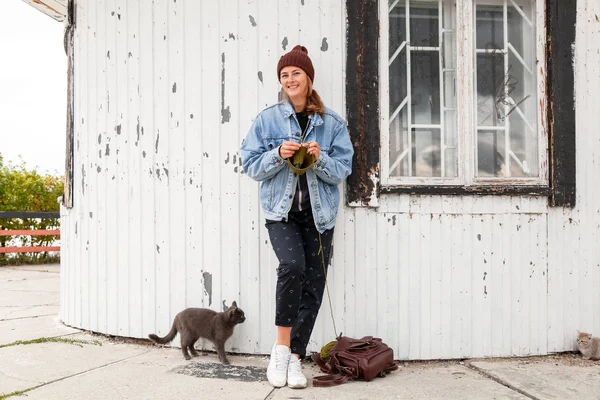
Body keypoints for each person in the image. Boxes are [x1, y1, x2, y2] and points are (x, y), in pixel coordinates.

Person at [240, 45, 354, 389]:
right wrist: (276, 153)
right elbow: (249, 165)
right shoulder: (267, 120)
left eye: (296, 73)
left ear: (308, 79)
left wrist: (320, 159)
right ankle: (280, 349)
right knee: (292, 267)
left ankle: (294, 359)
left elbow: (342, 171)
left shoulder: (332, 124)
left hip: (320, 218)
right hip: (281, 213)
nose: (290, 79)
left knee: (313, 287)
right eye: (284, 74)